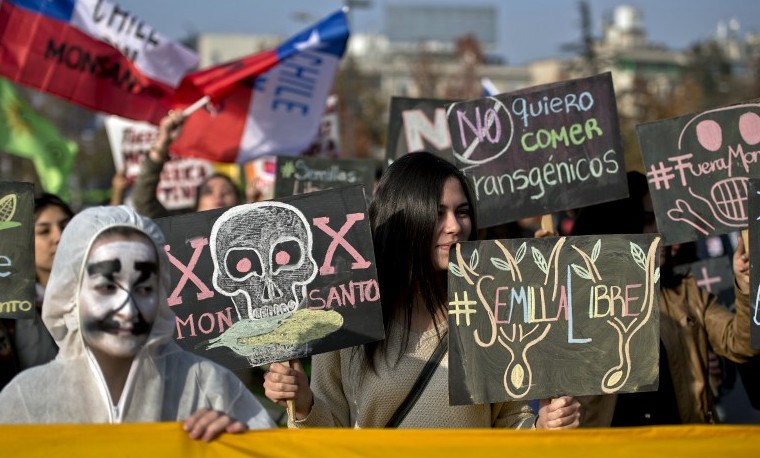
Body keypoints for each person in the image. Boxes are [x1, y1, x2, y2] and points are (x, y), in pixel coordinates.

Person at [263, 152, 581, 428]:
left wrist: (543, 425)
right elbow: (329, 439)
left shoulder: (491, 307)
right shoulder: (347, 315)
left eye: (463, 211)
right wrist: (303, 403)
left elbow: (510, 421)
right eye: (438, 212)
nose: (455, 226)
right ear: (403, 218)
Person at [0, 205, 275, 440]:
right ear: (71, 292)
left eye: (144, 289)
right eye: (107, 287)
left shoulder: (209, 385)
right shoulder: (25, 398)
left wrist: (236, 441)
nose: (128, 310)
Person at [558, 171, 759, 426]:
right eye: (648, 220)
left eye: (661, 219)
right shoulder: (576, 300)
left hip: (683, 445)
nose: (661, 232)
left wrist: (746, 289)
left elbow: (741, 343)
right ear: (621, 225)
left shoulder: (686, 292)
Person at [0, 193, 74, 388]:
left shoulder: (104, 292)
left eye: (66, 226)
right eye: (44, 231)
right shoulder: (11, 312)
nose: (59, 237)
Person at [131, 111, 240, 218]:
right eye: (208, 192)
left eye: (226, 192)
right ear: (197, 204)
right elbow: (143, 201)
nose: (218, 197)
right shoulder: (179, 228)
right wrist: (161, 145)